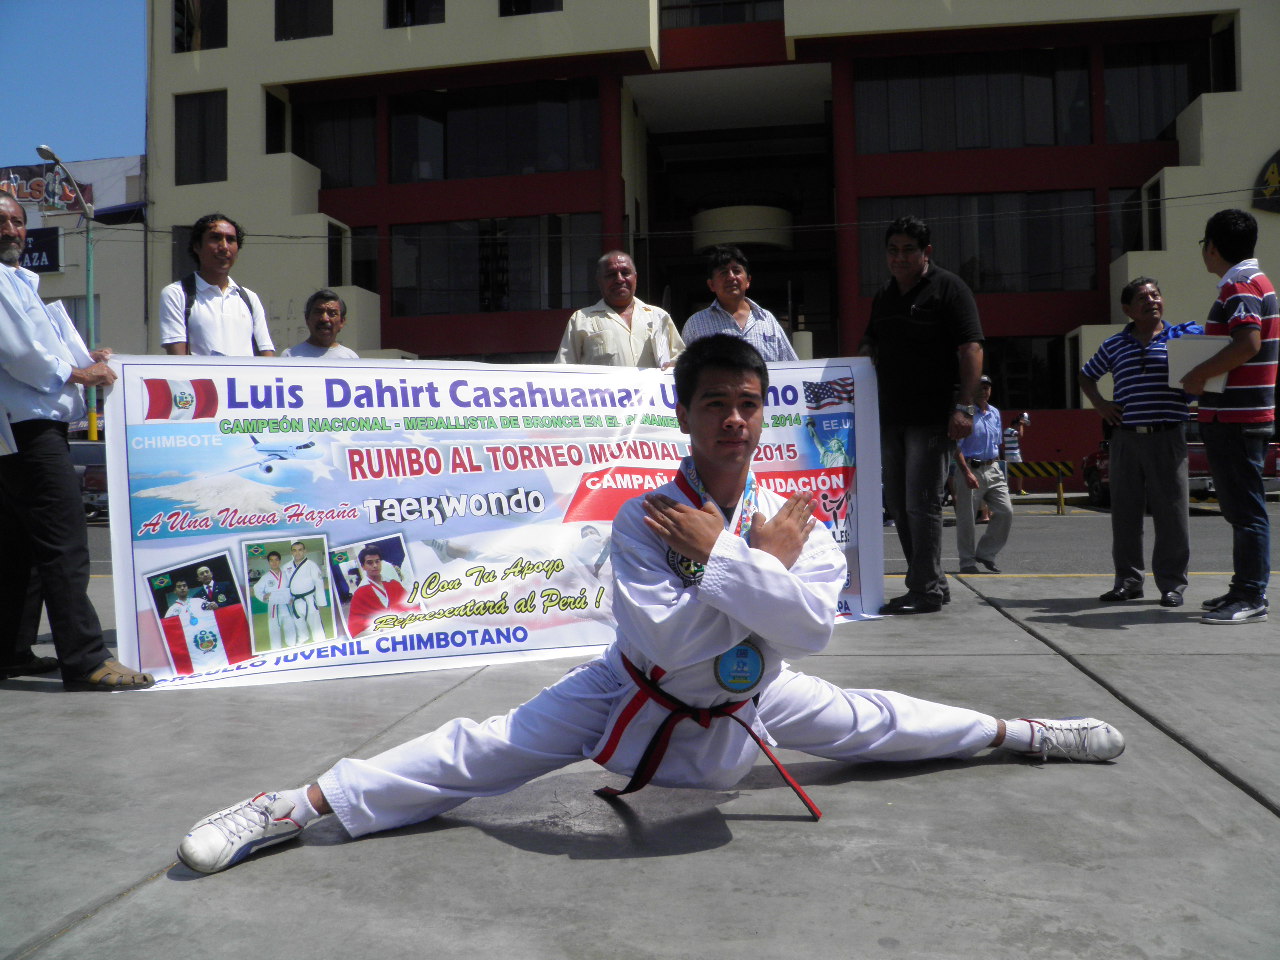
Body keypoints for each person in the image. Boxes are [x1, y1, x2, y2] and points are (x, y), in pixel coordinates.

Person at [176, 335, 1125, 875]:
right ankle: (293, 806)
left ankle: (1025, 732)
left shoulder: (798, 518)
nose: (735, 420)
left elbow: (815, 633)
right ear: (684, 414)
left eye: (750, 403)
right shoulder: (644, 517)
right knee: (478, 751)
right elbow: (666, 646)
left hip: (754, 702)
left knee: (884, 723)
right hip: (625, 699)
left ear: (765, 412)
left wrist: (729, 559)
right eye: (716, 403)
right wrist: (748, 569)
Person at [0, 193, 153, 691]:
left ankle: (11, 652)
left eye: (18, 221)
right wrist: (77, 371)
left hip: (27, 430)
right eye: (1, 220)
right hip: (27, 428)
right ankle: (86, 660)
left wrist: (85, 356)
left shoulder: (21, 283)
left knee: (24, 549)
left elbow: (41, 348)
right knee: (65, 546)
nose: (11, 229)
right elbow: (21, 354)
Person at [859, 216, 984, 615]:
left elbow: (971, 349)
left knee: (921, 502)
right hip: (890, 415)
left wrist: (964, 406)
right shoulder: (884, 296)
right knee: (897, 503)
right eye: (892, 250)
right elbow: (870, 345)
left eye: (908, 250)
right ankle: (931, 580)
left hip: (933, 416)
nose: (899, 257)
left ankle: (925, 588)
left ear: (926, 252)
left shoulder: (949, 289)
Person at [1079, 277, 1203, 607]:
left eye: (1156, 294)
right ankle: (1129, 581)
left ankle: (1172, 585)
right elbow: (1086, 374)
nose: (1152, 300)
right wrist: (1102, 405)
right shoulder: (1114, 345)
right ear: (1127, 309)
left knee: (1172, 514)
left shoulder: (1182, 336)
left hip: (1168, 436)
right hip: (1126, 438)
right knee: (1125, 513)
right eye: (1142, 297)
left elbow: (1208, 361)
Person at [1181, 209, 1278, 625]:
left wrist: (1197, 374)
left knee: (1246, 511)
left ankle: (1251, 595)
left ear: (1212, 247)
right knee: (1240, 509)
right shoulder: (1253, 282)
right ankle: (1242, 588)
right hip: (1237, 415)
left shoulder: (1238, 286)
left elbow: (1248, 342)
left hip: (1237, 417)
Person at [159, 213, 275, 357]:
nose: (224, 246)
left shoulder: (249, 298)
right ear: (197, 246)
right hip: (202, 380)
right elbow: (178, 360)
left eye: (231, 240)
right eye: (215, 238)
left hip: (244, 380)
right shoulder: (177, 294)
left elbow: (267, 357)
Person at [555, 251, 683, 367]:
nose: (619, 279)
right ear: (599, 281)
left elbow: (682, 364)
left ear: (635, 278)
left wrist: (673, 367)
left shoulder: (659, 317)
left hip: (651, 393)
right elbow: (563, 371)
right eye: (611, 274)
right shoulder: (581, 319)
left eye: (625, 273)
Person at [683, 245, 798, 362]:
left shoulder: (767, 320)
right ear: (711, 285)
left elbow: (792, 368)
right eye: (723, 272)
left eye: (736, 271)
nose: (731, 277)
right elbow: (683, 370)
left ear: (748, 281)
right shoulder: (696, 324)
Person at [953, 376, 1012, 575]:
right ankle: (967, 562)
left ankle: (986, 553)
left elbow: (997, 443)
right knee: (967, 518)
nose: (984, 391)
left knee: (1005, 512)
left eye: (987, 387)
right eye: (980, 387)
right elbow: (955, 447)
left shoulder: (995, 412)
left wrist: (1000, 468)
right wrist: (966, 472)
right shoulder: (965, 412)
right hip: (970, 467)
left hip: (993, 467)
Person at [345, 545, 416, 638]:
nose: (375, 565)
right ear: (363, 567)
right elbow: (355, 630)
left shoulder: (394, 584)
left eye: (377, 561)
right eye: (370, 563)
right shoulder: (360, 594)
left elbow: (411, 606)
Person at [281, 290, 359, 359]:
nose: (325, 318)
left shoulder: (350, 358)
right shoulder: (290, 356)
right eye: (318, 312)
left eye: (332, 313)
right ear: (307, 318)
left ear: (342, 322)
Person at [252, 551, 298, 650]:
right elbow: (256, 589)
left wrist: (292, 598)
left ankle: (292, 645)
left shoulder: (286, 574)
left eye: (276, 560)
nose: (274, 562)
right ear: (268, 562)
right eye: (271, 560)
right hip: (273, 607)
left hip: (286, 605)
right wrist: (264, 596)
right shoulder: (265, 577)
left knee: (290, 626)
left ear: (280, 561)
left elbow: (293, 587)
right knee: (274, 629)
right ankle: (277, 649)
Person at [285, 541, 329, 643]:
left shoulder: (311, 565)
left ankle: (321, 642)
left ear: (305, 551)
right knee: (298, 623)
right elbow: (285, 585)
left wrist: (321, 602)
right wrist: (288, 598)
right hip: (295, 601)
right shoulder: (287, 567)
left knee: (315, 624)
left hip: (309, 599)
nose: (297, 553)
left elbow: (319, 584)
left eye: (300, 550)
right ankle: (303, 638)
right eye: (294, 550)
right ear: (291, 552)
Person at [1003, 412, 1029, 496]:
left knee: (1007, 473)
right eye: (1018, 425)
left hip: (1007, 454)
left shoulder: (1006, 431)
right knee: (1020, 471)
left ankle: (1006, 490)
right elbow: (1020, 435)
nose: (1018, 427)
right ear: (1015, 425)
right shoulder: (1011, 431)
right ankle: (1019, 490)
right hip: (1014, 454)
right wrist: (1021, 425)